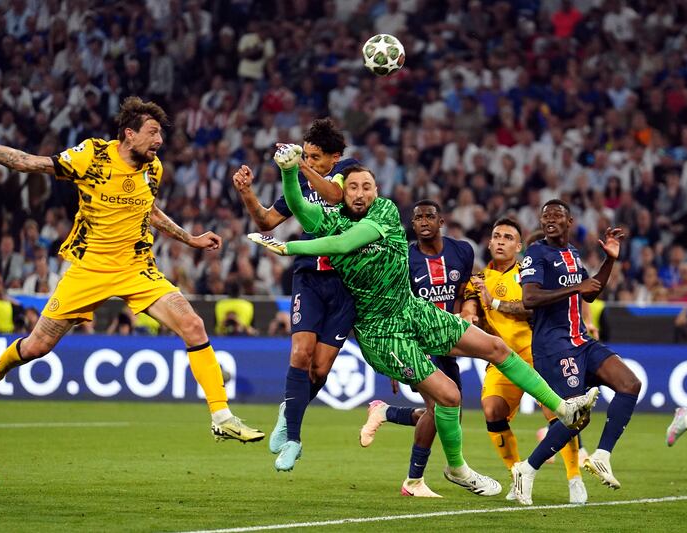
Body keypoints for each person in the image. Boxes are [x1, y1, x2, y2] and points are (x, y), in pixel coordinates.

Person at [250, 145, 599, 495]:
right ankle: (456, 468)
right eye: (353, 187)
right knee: (448, 397)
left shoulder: (384, 212)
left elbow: (343, 245)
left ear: (376, 190)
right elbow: (297, 205)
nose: (360, 193)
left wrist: (288, 247)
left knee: (495, 346)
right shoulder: (329, 221)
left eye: (366, 186)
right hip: (382, 332)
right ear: (342, 192)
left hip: (412, 309)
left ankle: (562, 408)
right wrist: (288, 170)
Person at [0, 97, 264, 443]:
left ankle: (222, 416)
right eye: (153, 133)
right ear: (129, 134)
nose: (159, 141)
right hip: (89, 268)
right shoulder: (92, 156)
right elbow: (28, 163)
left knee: (193, 324)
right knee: (38, 347)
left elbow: (150, 210)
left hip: (136, 267)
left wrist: (189, 239)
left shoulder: (152, 168)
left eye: (161, 134)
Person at [232, 118, 357, 471]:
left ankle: (290, 408)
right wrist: (247, 193)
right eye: (307, 156)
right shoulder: (301, 180)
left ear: (334, 157)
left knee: (319, 370)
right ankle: (293, 439)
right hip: (309, 276)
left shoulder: (348, 171)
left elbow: (334, 196)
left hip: (346, 282)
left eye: (316, 156)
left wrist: (299, 164)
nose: (310, 161)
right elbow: (266, 222)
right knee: (301, 354)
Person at [512, 199, 641, 505]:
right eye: (545, 217)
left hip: (580, 340)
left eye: (557, 215)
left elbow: (592, 291)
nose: (550, 220)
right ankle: (527, 469)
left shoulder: (572, 253)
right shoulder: (536, 253)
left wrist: (610, 260)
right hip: (553, 346)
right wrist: (574, 289)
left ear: (570, 222)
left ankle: (602, 455)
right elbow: (529, 298)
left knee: (630, 384)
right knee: (575, 418)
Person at [460, 218, 587, 503]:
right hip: (502, 358)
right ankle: (516, 476)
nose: (501, 241)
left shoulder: (531, 275)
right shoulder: (479, 279)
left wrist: (493, 302)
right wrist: (470, 312)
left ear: (519, 246)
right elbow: (470, 303)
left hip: (539, 354)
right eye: (496, 236)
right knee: (492, 410)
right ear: (489, 243)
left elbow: (531, 308)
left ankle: (574, 478)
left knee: (560, 415)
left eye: (508, 237)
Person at [358, 199, 474, 498]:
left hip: (447, 340)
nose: (423, 221)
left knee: (450, 418)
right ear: (412, 224)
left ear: (441, 221)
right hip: (415, 341)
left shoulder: (462, 252)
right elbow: (393, 306)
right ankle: (413, 481)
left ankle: (386, 412)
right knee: (438, 409)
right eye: (418, 217)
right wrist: (396, 356)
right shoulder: (403, 258)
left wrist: (466, 315)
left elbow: (462, 292)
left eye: (429, 217)